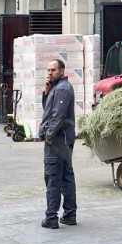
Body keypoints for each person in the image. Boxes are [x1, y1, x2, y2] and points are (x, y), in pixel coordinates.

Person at [38, 59, 76, 229]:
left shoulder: (62, 89)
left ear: (62, 71)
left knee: (53, 178)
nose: (50, 73)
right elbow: (49, 110)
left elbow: (58, 116)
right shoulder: (56, 88)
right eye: (48, 70)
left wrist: (49, 135)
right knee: (66, 177)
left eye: (53, 70)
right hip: (64, 140)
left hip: (58, 141)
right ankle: (70, 215)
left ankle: (51, 217)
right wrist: (47, 93)